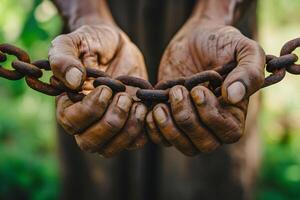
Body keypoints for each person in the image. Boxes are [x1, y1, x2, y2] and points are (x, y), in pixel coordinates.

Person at [50, 0, 264, 199]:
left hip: (213, 44)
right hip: (98, 42)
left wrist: (214, 16)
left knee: (209, 171)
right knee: (98, 178)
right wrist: (87, 15)